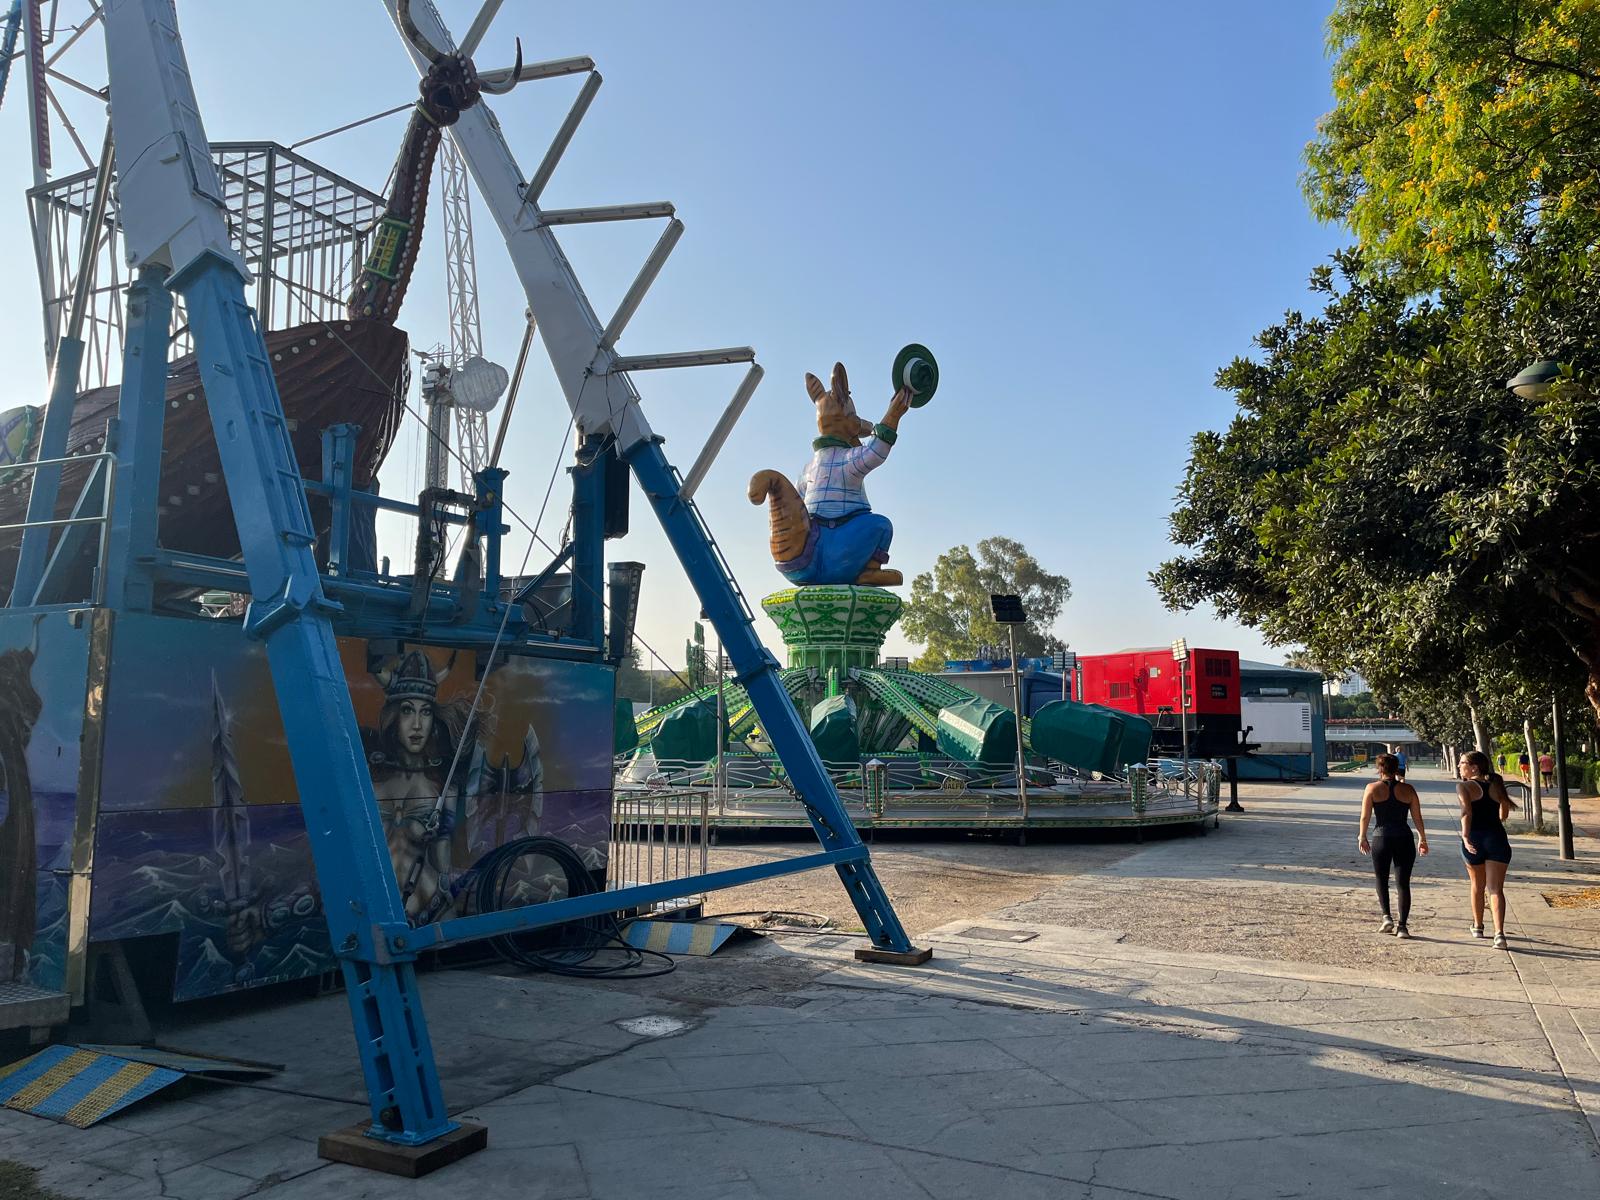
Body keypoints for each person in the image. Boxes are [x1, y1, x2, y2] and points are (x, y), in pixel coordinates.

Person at [1357, 754, 1429, 938]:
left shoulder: (1372, 788)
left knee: (1381, 878)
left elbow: (1365, 816)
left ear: (1379, 769)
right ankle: (1403, 927)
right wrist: (1422, 838)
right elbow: (1417, 817)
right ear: (1397, 768)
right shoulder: (1408, 790)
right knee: (1403, 883)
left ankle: (1386, 916)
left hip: (1381, 837)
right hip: (1404, 837)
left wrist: (1362, 836)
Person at [1457, 750, 1518, 949]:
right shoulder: (1496, 784)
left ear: (1474, 767)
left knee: (1477, 885)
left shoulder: (1464, 786)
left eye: (1462, 762)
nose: (1459, 766)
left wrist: (1465, 836)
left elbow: (1466, 812)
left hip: (1474, 837)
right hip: (1496, 838)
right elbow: (1504, 813)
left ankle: (1478, 926)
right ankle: (1499, 934)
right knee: (1495, 889)